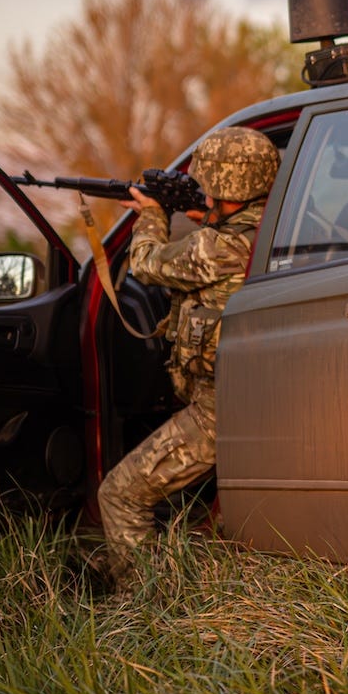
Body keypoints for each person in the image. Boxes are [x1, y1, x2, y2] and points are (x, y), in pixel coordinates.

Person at [95, 126, 278, 573]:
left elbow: (145, 263)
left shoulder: (219, 247)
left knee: (119, 495)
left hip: (219, 414)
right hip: (260, 401)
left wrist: (153, 214)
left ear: (218, 181)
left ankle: (146, 605)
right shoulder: (275, 229)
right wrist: (206, 216)